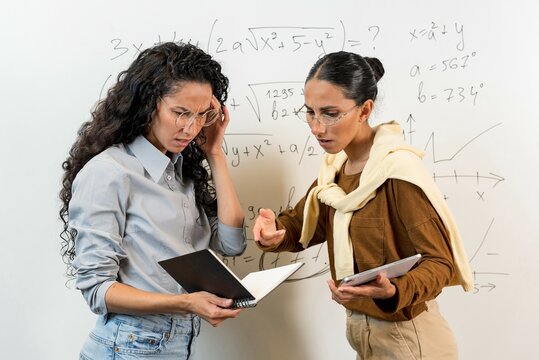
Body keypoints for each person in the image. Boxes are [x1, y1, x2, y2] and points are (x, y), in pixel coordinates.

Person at [253, 51, 474, 359]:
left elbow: (441, 263)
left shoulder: (398, 173)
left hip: (409, 339)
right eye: (311, 112)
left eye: (331, 113)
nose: (317, 127)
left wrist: (396, 290)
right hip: (362, 334)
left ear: (364, 110)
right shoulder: (335, 169)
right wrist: (274, 231)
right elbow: (302, 224)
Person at [59, 42, 246, 359]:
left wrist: (214, 153)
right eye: (180, 113)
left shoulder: (182, 173)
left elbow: (231, 242)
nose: (191, 127)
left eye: (202, 115)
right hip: (129, 345)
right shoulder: (109, 172)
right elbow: (98, 290)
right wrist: (187, 302)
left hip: (174, 345)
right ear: (147, 104)